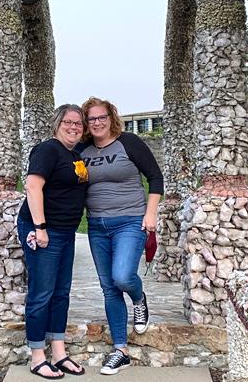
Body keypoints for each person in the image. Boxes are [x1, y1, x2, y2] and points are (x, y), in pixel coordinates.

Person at [77, 97, 164, 375]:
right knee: (109, 287)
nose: (98, 122)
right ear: (86, 123)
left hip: (130, 221)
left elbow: (155, 177)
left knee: (123, 277)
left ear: (111, 117)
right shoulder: (82, 149)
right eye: (92, 119)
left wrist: (150, 214)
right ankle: (120, 350)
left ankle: (139, 299)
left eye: (102, 117)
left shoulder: (129, 142)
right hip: (97, 226)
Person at [17, 104, 90, 380]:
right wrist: (40, 227)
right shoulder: (47, 149)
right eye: (68, 122)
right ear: (57, 124)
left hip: (66, 231)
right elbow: (33, 186)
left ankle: (58, 353)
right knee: (42, 293)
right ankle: (38, 356)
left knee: (61, 292)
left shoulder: (74, 153)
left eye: (78, 124)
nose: (74, 127)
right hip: (44, 230)